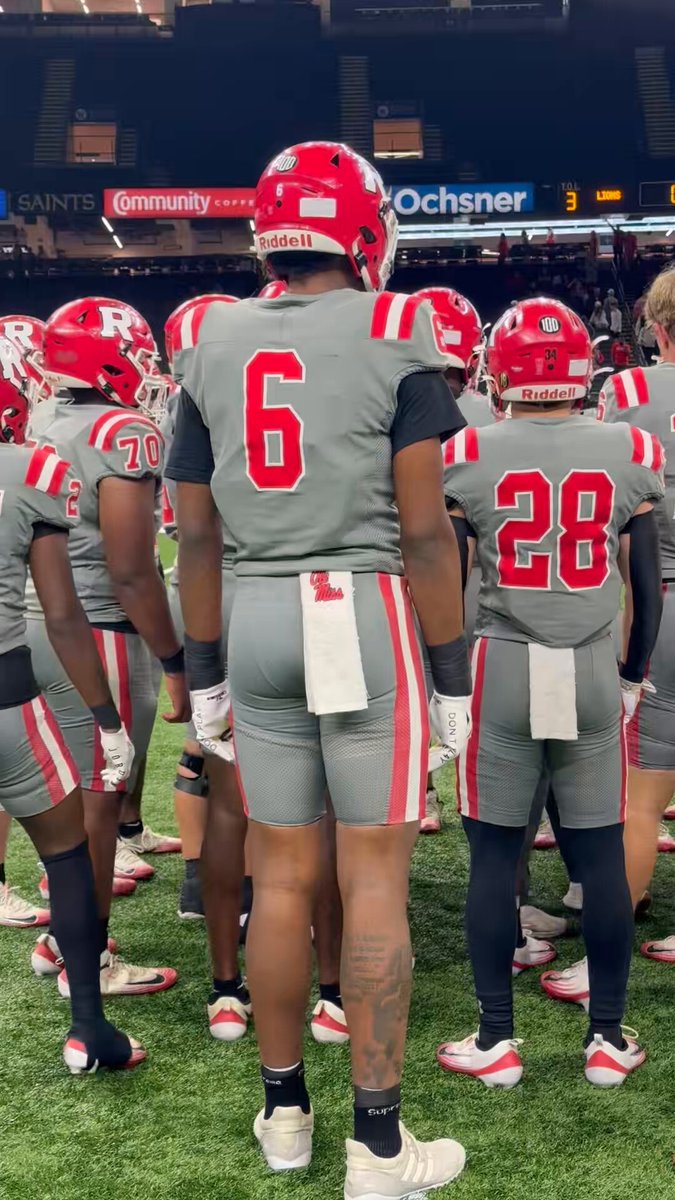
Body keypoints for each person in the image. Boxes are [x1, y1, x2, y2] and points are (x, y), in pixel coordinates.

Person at [168, 140, 471, 1197]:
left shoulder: (206, 336)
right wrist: (451, 674)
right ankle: (378, 1147)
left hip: (253, 610)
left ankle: (286, 1114)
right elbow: (426, 534)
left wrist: (204, 670)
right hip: (364, 610)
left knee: (281, 875)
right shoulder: (397, 326)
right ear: (364, 233)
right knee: (373, 876)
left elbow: (194, 535)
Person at [435, 297, 664, 1089]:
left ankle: (495, 1040)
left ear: (500, 370)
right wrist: (631, 673)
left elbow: (447, 581)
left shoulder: (467, 450)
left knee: (494, 857)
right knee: (599, 855)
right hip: (592, 663)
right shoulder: (628, 447)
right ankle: (605, 1039)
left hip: (502, 664)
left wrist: (444, 679)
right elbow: (644, 585)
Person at [25, 297, 188, 999]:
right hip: (97, 631)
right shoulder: (122, 432)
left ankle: (60, 938)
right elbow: (131, 570)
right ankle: (85, 963)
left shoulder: (40, 416)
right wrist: (176, 658)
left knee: (67, 798)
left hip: (31, 623)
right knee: (98, 806)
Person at [0, 331, 143, 1071]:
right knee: (65, 857)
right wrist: (107, 718)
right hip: (7, 698)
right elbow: (61, 614)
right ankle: (88, 1024)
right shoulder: (31, 470)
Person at [164, 292, 253, 1040]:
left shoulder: (192, 391)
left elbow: (190, 533)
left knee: (221, 781)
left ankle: (225, 985)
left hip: (213, 597)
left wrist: (193, 667)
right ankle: (328, 985)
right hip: (294, 591)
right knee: (316, 810)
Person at [598, 267, 675, 963]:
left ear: (654, 327)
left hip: (662, 602)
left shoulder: (626, 393)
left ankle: (609, 957)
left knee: (640, 795)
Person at [414, 286, 484, 834]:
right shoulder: (483, 411)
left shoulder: (384, 392)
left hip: (393, 567)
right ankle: (493, 793)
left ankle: (422, 791)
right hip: (475, 571)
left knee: (408, 686)